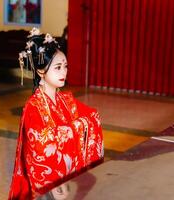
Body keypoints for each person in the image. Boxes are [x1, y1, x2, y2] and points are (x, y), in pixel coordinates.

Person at [8, 28, 104, 200]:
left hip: (69, 178)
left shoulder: (65, 99)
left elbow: (92, 116)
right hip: (46, 185)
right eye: (58, 67)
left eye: (65, 66)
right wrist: (75, 128)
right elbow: (40, 148)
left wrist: (77, 126)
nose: (64, 72)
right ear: (40, 71)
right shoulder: (33, 107)